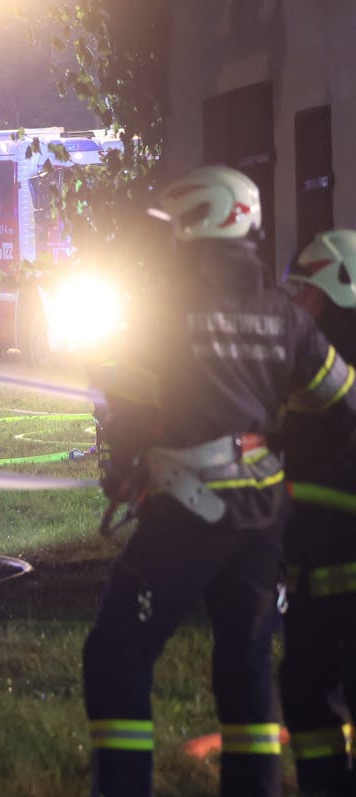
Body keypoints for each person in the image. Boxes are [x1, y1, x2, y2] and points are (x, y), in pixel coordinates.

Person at [83, 167, 356, 797]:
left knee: (117, 652)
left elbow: (127, 406)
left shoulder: (164, 311)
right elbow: (341, 400)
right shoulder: (284, 316)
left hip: (187, 513)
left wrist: (125, 468)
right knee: (248, 666)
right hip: (261, 522)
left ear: (198, 226)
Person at [276, 229, 356, 796]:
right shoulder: (316, 354)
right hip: (318, 556)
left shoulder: (326, 362)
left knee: (313, 685)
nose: (293, 303)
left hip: (335, 559)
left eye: (302, 291)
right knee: (309, 686)